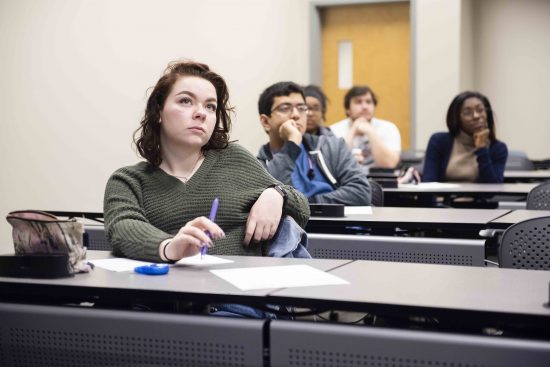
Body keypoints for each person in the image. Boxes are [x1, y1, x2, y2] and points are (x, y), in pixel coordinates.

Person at [104, 61, 310, 263]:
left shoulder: (234, 158)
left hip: (246, 290)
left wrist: (277, 195)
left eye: (211, 106)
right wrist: (170, 247)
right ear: (158, 111)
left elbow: (301, 208)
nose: (201, 113)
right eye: (185, 101)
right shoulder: (128, 180)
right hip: (174, 291)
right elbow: (122, 227)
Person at [256, 81, 371, 206]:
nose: (295, 115)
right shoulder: (258, 166)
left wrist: (307, 205)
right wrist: (292, 144)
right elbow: (275, 202)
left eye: (301, 108)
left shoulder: (332, 146)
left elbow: (361, 192)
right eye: (285, 108)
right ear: (266, 122)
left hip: (336, 224)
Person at [422, 91, 508, 183]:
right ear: (457, 118)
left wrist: (482, 149)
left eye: (480, 110)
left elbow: (492, 190)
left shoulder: (498, 148)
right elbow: (428, 184)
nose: (476, 116)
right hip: (442, 197)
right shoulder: (439, 141)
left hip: (478, 198)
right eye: (467, 113)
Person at [330, 86, 401, 172]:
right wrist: (353, 131)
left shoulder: (389, 128)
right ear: (348, 109)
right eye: (358, 102)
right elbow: (334, 165)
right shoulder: (334, 130)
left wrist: (370, 132)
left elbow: (389, 164)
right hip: (346, 181)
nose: (364, 106)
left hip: (380, 180)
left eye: (368, 102)